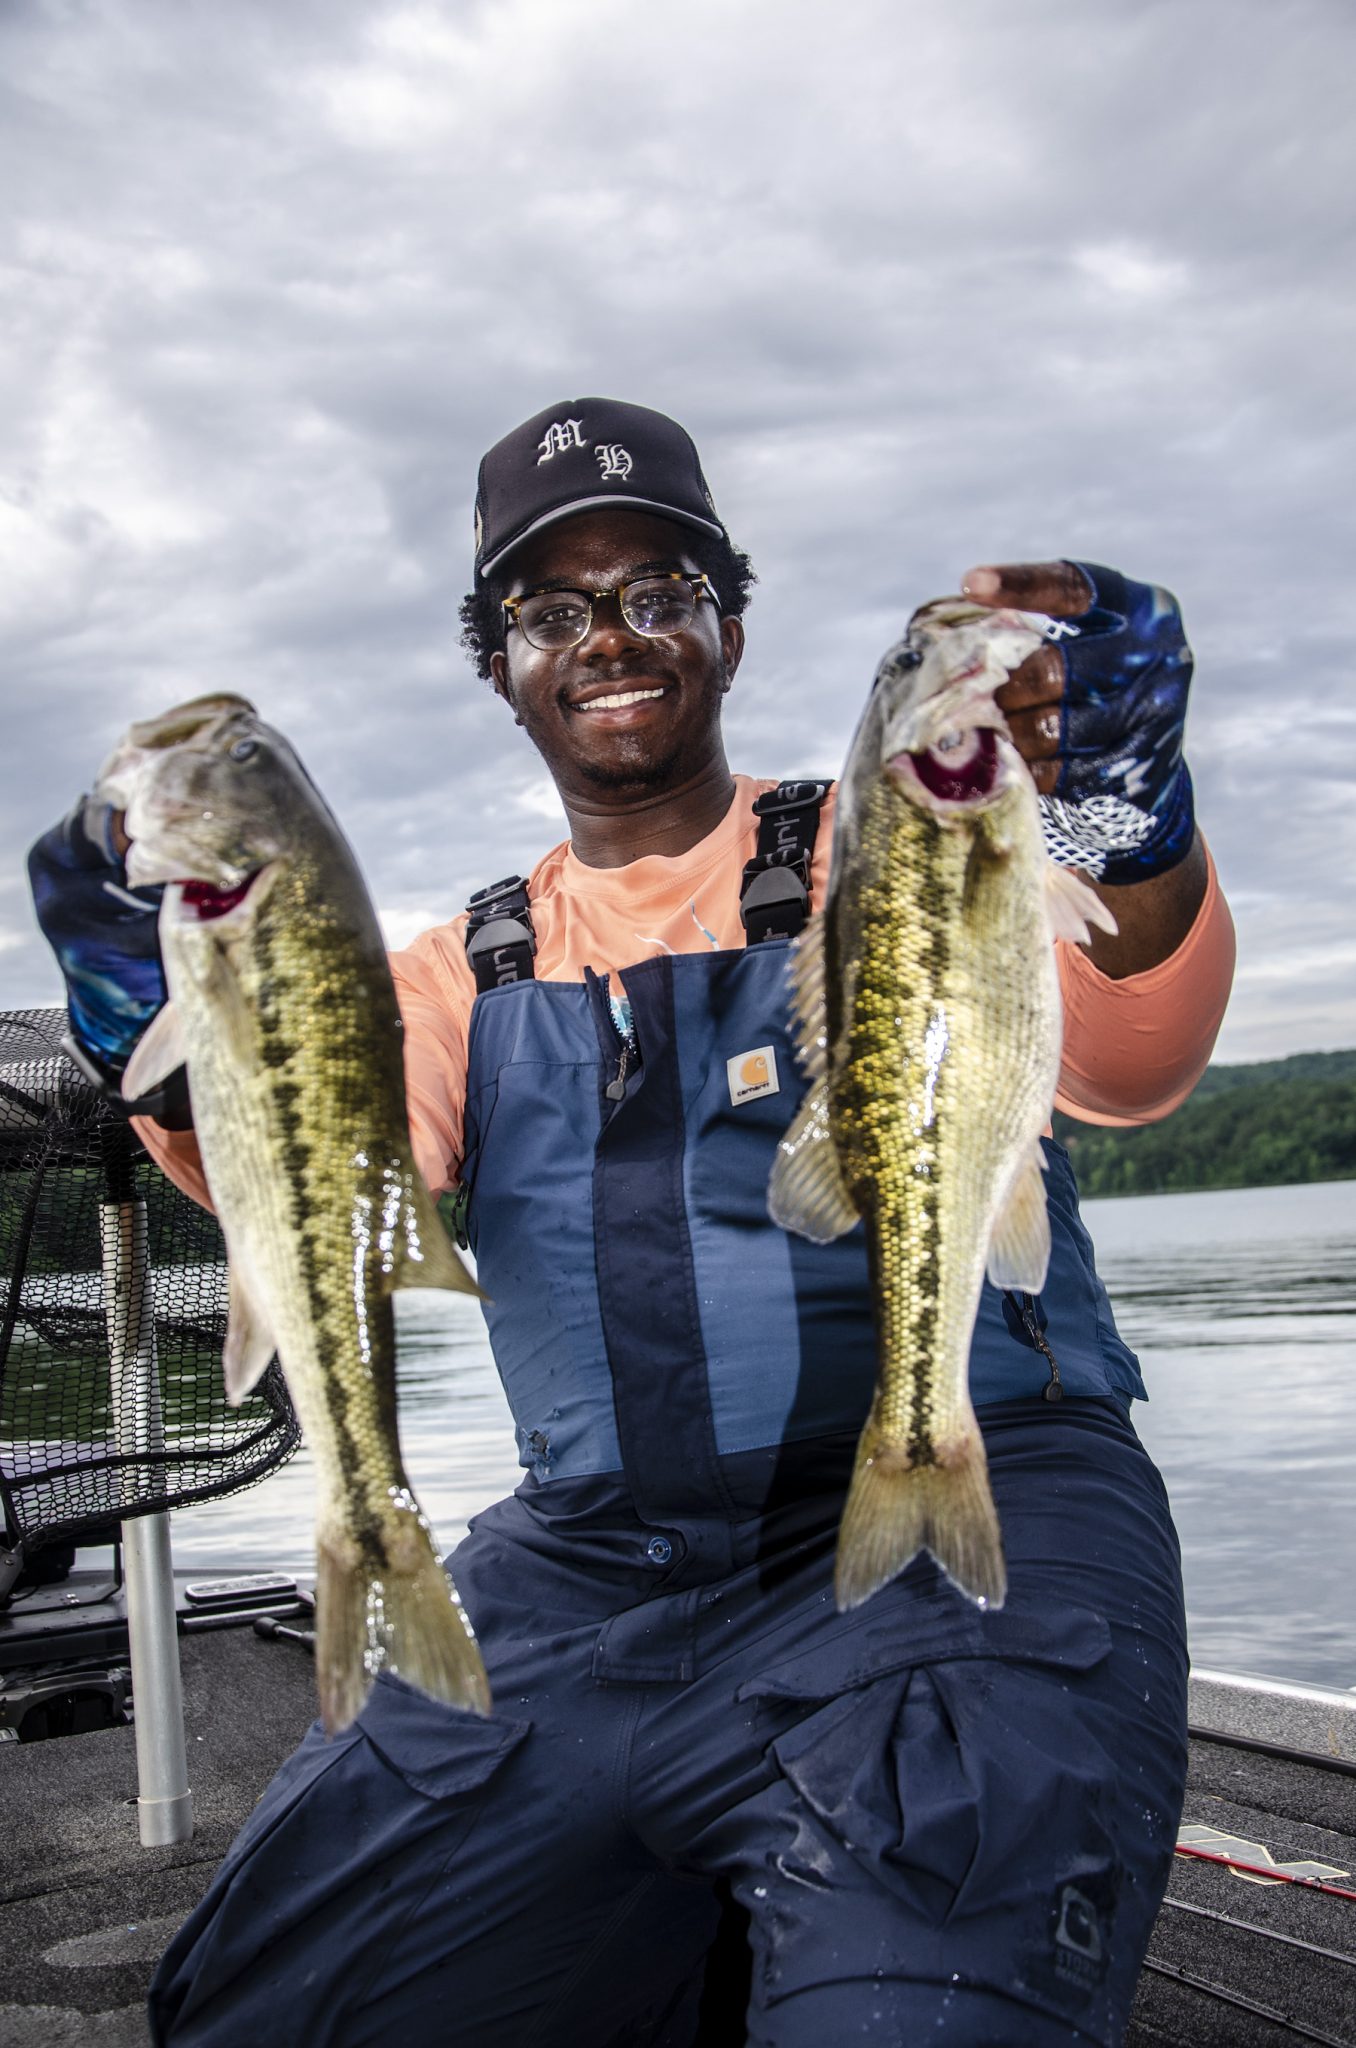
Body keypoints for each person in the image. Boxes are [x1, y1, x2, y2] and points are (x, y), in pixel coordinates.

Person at [30, 397, 1235, 2046]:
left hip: (986, 1491)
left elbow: (1137, 1049)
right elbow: (324, 1182)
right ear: (502, 662)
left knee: (921, 2011)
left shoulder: (897, 843)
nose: (610, 637)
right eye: (550, 608)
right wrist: (146, 1021)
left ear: (728, 628)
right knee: (264, 2010)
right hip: (586, 1569)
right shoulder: (453, 974)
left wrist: (1119, 806)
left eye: (657, 589)